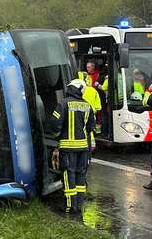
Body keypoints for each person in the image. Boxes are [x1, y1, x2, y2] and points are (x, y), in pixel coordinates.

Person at [49, 79, 95, 214]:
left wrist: (57, 136)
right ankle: (79, 206)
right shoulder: (87, 106)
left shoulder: (63, 104)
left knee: (68, 176)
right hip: (83, 148)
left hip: (67, 148)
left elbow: (54, 124)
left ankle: (70, 207)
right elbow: (92, 127)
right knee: (81, 175)